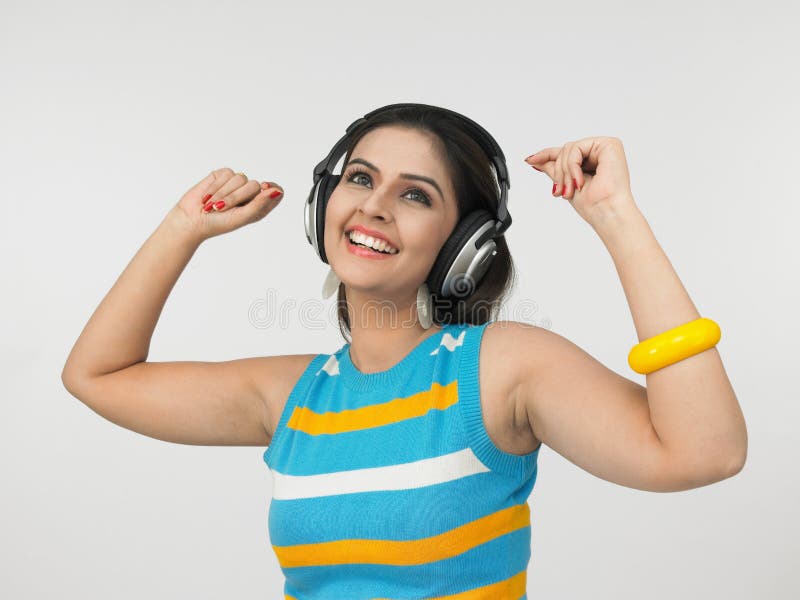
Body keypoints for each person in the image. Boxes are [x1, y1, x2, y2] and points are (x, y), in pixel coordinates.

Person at [61, 104, 747, 599]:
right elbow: (96, 375)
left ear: (462, 245)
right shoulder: (293, 395)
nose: (375, 206)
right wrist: (182, 228)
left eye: (415, 194)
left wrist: (617, 218)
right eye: (359, 178)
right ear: (323, 203)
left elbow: (702, 450)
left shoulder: (500, 368)